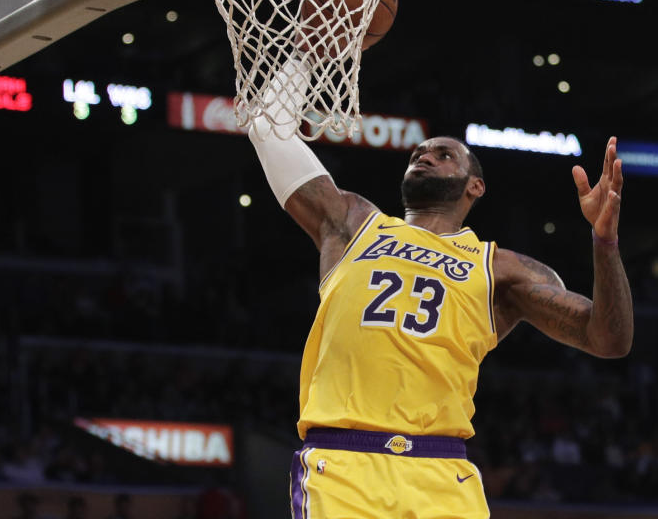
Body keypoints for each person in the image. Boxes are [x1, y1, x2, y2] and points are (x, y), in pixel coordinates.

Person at [247, 65, 633, 518]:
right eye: (419, 153)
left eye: (443, 154)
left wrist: (604, 244)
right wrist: (307, 51)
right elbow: (265, 127)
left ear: (476, 186)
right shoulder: (354, 224)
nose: (425, 157)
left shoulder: (502, 269)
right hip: (345, 465)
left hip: (443, 475)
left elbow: (609, 341)